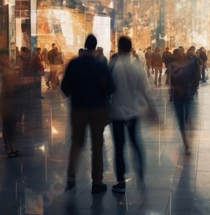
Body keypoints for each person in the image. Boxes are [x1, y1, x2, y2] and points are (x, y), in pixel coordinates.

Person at [61, 34, 115, 194]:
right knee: (97, 146)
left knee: (77, 142)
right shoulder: (101, 65)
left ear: (85, 46)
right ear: (95, 46)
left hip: (78, 109)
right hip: (98, 109)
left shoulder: (74, 64)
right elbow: (111, 88)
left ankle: (71, 176)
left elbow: (65, 88)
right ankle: (97, 182)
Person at [110, 36, 158, 193]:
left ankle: (121, 182)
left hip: (117, 112)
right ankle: (140, 172)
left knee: (119, 146)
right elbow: (145, 90)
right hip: (133, 111)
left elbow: (107, 89)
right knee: (135, 142)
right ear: (131, 48)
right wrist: (153, 110)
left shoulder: (114, 65)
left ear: (119, 47)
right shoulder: (137, 66)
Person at [168, 49, 194, 155]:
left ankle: (187, 142)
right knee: (182, 119)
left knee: (184, 119)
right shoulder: (177, 66)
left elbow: (170, 81)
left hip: (183, 95)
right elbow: (170, 81)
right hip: (181, 95)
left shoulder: (184, 66)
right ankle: (186, 142)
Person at [0, 49, 21, 158]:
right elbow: (8, 80)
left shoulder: (8, 68)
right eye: (4, 57)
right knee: (7, 125)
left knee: (11, 125)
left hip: (10, 98)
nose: (6, 59)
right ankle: (8, 148)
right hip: (6, 99)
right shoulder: (3, 70)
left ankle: (12, 147)